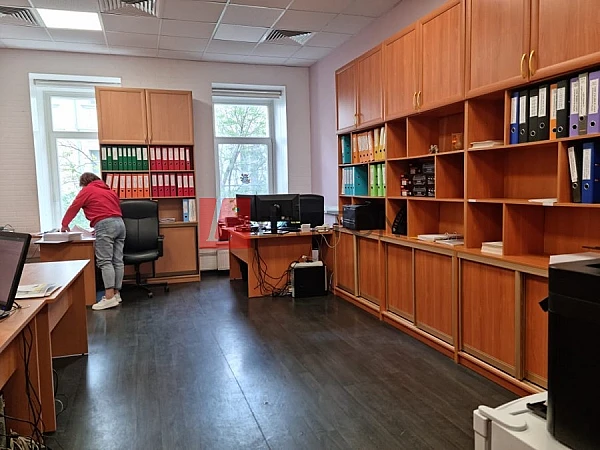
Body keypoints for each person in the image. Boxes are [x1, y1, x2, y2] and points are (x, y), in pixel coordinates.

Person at [61, 173, 125, 311]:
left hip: (105, 224)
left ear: (84, 182)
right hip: (120, 224)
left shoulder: (88, 190)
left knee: (105, 261)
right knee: (117, 260)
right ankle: (116, 294)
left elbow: (74, 207)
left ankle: (109, 297)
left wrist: (64, 224)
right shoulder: (109, 191)